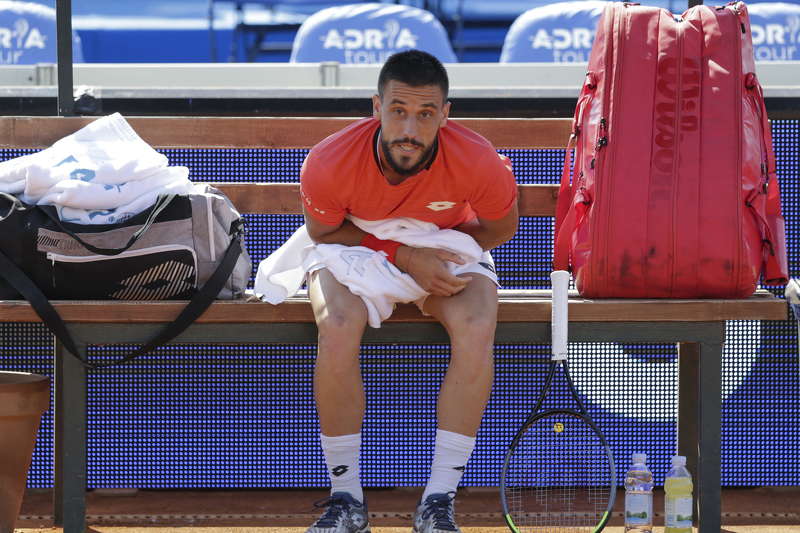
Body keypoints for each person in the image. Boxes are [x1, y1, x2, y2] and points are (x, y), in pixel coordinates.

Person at [299, 49, 519, 533]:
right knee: (335, 325)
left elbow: (500, 228)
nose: (410, 130)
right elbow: (323, 232)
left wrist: (444, 252)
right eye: (398, 111)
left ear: (445, 115)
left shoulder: (478, 160)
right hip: (358, 241)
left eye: (425, 114)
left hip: (440, 241)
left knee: (478, 323)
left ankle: (438, 501)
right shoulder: (330, 160)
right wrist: (401, 255)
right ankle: (346, 499)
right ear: (376, 108)